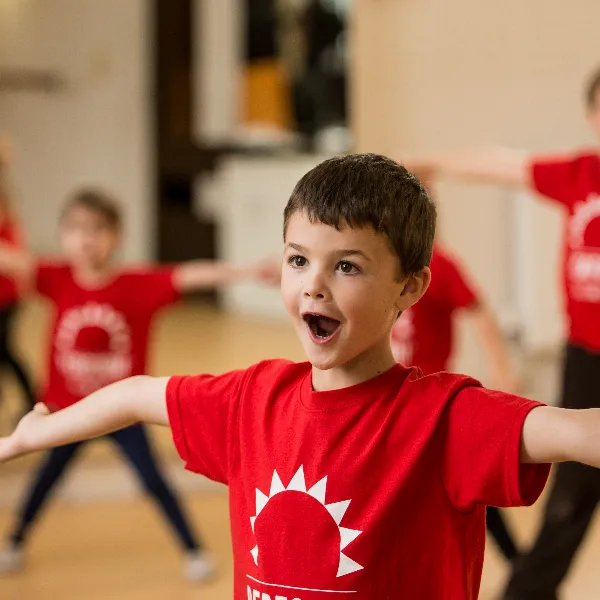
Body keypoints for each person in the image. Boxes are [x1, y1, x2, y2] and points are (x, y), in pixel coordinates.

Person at [3, 154, 600, 600]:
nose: (313, 283)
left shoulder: (446, 417)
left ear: (410, 287)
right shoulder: (251, 398)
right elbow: (136, 395)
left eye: (346, 266)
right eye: (297, 259)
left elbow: (574, 430)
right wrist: (34, 436)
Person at [0, 187, 271, 582]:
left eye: (97, 229)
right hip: (67, 410)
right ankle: (15, 540)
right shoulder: (54, 278)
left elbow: (189, 274)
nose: (86, 238)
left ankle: (193, 550)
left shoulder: (136, 285)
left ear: (116, 236)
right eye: (76, 228)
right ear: (62, 235)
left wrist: (247, 271)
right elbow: (11, 259)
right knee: (46, 477)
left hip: (122, 412)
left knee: (153, 480)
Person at [407, 66, 600, 600]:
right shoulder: (580, 173)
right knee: (571, 496)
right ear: (592, 117)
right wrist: (437, 164)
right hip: (588, 356)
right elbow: (500, 163)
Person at [391, 242, 519, 562]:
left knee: (470, 485)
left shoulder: (438, 264)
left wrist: (501, 371)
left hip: (430, 404)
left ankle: (521, 568)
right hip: (390, 401)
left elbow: (479, 311)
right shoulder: (375, 257)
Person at [0, 137, 36, 415]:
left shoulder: (4, 202)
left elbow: (13, 257)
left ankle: (32, 399)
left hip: (5, 296)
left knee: (5, 352)